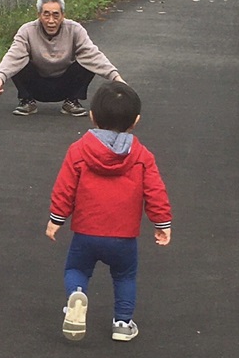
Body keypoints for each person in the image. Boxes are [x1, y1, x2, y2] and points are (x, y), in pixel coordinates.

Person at [45, 80, 172, 343]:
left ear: (92, 116)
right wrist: (162, 222)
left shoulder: (79, 150)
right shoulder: (141, 156)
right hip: (123, 237)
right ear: (135, 121)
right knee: (124, 276)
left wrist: (56, 218)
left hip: (86, 233)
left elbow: (65, 188)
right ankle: (123, 324)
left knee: (76, 270)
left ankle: (76, 298)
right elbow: (155, 191)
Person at [0, 0, 124, 116]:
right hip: (35, 84)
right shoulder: (27, 30)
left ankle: (72, 101)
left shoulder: (75, 29)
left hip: (66, 83)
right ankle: (27, 101)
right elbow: (13, 55)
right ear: (39, 15)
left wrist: (116, 78)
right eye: (46, 15)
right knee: (19, 61)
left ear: (63, 15)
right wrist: (0, 78)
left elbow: (93, 55)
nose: (51, 21)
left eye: (56, 15)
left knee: (87, 62)